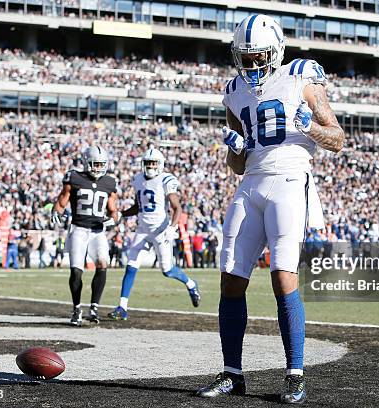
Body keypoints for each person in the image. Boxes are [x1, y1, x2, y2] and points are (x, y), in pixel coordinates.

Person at [196, 15, 344, 404]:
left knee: (283, 276)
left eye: (259, 55)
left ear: (276, 50)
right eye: (245, 57)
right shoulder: (234, 92)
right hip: (251, 183)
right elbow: (237, 165)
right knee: (231, 277)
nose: (252, 64)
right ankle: (232, 373)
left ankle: (294, 373)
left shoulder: (301, 76)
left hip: (291, 178)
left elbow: (338, 139)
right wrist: (235, 148)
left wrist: (310, 127)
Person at [108, 149, 201, 321]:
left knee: (167, 270)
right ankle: (122, 307)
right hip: (143, 229)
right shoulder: (138, 180)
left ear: (160, 165)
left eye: (153, 163)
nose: (150, 166)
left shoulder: (165, 179)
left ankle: (191, 283)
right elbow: (138, 206)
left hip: (160, 230)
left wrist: (172, 228)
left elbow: (176, 207)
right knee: (131, 265)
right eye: (148, 163)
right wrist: (122, 214)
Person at [52, 145, 119, 326]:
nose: (97, 168)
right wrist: (56, 212)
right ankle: (76, 309)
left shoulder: (109, 182)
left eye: (100, 164)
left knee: (102, 264)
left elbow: (113, 211)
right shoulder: (74, 177)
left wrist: (112, 220)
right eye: (94, 164)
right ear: (86, 163)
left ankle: (94, 308)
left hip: (98, 231)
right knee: (76, 270)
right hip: (79, 229)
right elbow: (61, 201)